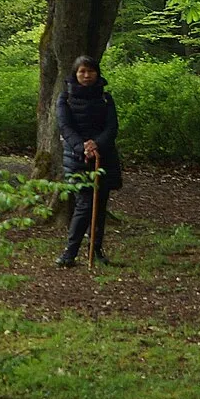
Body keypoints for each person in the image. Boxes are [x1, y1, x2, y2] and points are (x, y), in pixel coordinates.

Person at [54, 54, 121, 267]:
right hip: (77, 158)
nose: (86, 75)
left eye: (90, 71)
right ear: (75, 74)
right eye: (82, 71)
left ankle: (96, 249)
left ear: (97, 73)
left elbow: (112, 127)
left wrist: (96, 145)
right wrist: (82, 146)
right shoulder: (64, 98)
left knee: (100, 205)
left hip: (104, 157)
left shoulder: (106, 98)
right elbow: (65, 127)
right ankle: (70, 253)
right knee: (84, 203)